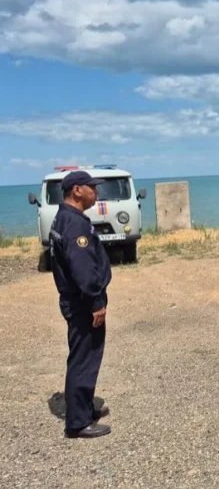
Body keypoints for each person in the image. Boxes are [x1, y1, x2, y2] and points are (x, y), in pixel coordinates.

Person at [49, 171, 113, 438]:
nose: (95, 192)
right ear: (77, 190)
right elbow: (83, 269)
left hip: (77, 301)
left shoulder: (65, 218)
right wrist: (96, 303)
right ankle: (77, 423)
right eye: (91, 188)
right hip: (82, 304)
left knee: (84, 356)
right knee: (84, 360)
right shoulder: (74, 223)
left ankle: (83, 410)